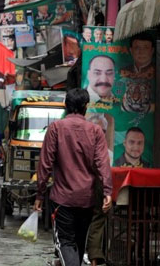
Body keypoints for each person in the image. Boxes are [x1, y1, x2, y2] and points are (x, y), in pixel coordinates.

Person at [34, 88, 112, 266]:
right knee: (78, 243)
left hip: (62, 199)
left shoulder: (56, 128)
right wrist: (107, 191)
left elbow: (45, 164)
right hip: (87, 199)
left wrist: (39, 194)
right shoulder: (96, 131)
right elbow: (103, 164)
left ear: (66, 106)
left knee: (66, 243)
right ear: (86, 106)